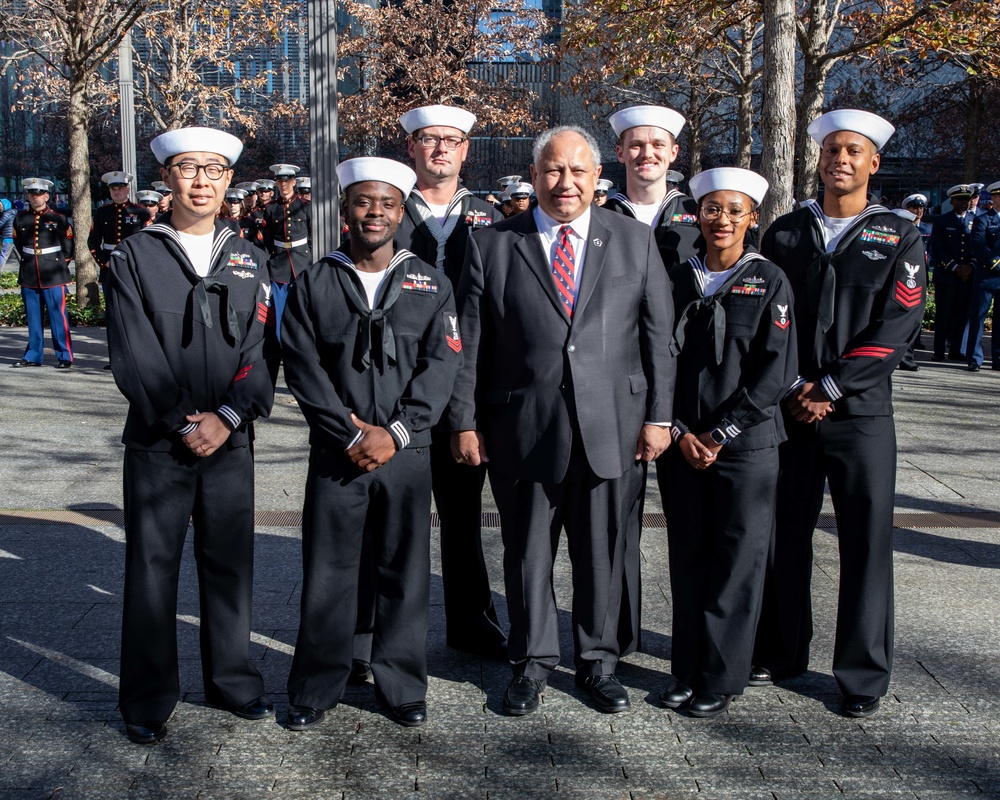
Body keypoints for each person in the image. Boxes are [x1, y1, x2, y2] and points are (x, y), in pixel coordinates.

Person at [449, 126, 676, 716]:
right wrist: (464, 421)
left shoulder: (632, 241)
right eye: (553, 170)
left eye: (578, 171)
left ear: (598, 177)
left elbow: (658, 339)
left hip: (615, 428)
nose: (565, 182)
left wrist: (661, 419)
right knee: (526, 553)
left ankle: (598, 664)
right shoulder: (493, 244)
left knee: (602, 553)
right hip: (520, 427)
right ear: (535, 175)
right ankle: (531, 662)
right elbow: (470, 343)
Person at [105, 126, 278, 745]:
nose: (201, 180)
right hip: (158, 441)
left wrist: (227, 418)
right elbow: (134, 354)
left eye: (213, 169)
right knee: (152, 568)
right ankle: (148, 699)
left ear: (229, 179)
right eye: (187, 168)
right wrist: (184, 420)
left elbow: (261, 353)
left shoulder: (251, 260)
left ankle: (233, 682)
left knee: (229, 564)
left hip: (229, 442)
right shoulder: (133, 256)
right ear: (167, 178)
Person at [751, 109, 926, 718]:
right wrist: (799, 384)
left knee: (866, 543)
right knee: (782, 535)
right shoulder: (787, 232)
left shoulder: (899, 235)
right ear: (818, 160)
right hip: (793, 410)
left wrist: (832, 383)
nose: (840, 161)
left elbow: (897, 328)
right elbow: (772, 318)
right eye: (831, 151)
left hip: (862, 415)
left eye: (853, 152)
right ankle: (781, 651)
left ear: (873, 163)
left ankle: (861, 676)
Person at [281, 157, 462, 730]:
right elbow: (303, 367)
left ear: (401, 211)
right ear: (345, 211)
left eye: (386, 203)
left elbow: (441, 366)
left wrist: (396, 432)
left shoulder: (430, 282)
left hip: (405, 455)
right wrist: (350, 432)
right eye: (363, 202)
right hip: (338, 453)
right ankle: (317, 684)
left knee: (403, 571)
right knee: (330, 570)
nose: (375, 213)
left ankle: (402, 683)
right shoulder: (314, 281)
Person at [658, 168, 796, 718]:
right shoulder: (676, 278)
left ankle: (721, 676)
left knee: (737, 562)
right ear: (696, 215)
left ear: (752, 218)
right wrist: (678, 429)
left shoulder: (770, 281)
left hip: (745, 447)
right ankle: (685, 669)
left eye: (734, 211)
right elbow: (654, 359)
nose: (721, 220)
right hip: (683, 444)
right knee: (688, 557)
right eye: (712, 209)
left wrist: (719, 432)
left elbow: (773, 372)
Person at [390, 104, 509, 661]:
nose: (440, 149)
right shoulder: (386, 208)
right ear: (411, 147)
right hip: (399, 386)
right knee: (395, 519)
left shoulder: (491, 217)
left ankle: (471, 621)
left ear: (466, 151)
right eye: (429, 139)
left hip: (467, 393)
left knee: (462, 518)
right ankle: (391, 632)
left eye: (452, 140)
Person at [603, 104, 700, 656]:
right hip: (619, 385)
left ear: (673, 153)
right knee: (617, 522)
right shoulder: (598, 214)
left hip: (687, 390)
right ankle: (616, 638)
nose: (646, 154)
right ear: (619, 153)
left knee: (692, 527)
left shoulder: (699, 215)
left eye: (656, 145)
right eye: (636, 145)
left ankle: (693, 645)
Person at [11, 178, 74, 369]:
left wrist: (59, 266)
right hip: (30, 272)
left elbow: (68, 247)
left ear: (46, 195)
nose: (35, 197)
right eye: (32, 194)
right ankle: (33, 355)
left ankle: (64, 355)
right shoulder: (20, 218)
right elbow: (19, 244)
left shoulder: (58, 218)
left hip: (53, 272)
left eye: (39, 194)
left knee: (58, 316)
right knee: (33, 317)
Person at [260, 163, 311, 336]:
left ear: (294, 182)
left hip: (302, 263)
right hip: (279, 266)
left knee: (302, 310)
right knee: (280, 312)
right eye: (279, 181)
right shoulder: (271, 208)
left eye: (287, 180)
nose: (283, 184)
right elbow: (268, 240)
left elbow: (312, 236)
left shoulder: (305, 206)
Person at [929, 184, 976, 362]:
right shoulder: (942, 221)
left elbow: (978, 246)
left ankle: (955, 349)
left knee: (962, 313)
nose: (964, 203)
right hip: (947, 275)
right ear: (952, 201)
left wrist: (970, 266)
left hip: (967, 276)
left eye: (967, 199)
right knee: (944, 314)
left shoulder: (975, 220)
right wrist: (955, 267)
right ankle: (939, 350)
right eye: (960, 200)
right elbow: (937, 249)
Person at [966, 181, 1000, 370]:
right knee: (978, 318)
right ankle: (974, 358)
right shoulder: (983, 219)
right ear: (994, 198)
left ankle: (998, 358)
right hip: (987, 275)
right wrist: (996, 262)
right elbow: (978, 244)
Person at [1, 198, 17, 270]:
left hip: (8, 237)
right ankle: (27, 273)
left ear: (5, 205)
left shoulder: (6, 214)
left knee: (3, 256)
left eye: (0, 205)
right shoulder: (14, 212)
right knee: (20, 256)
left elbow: (0, 223)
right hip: (14, 237)